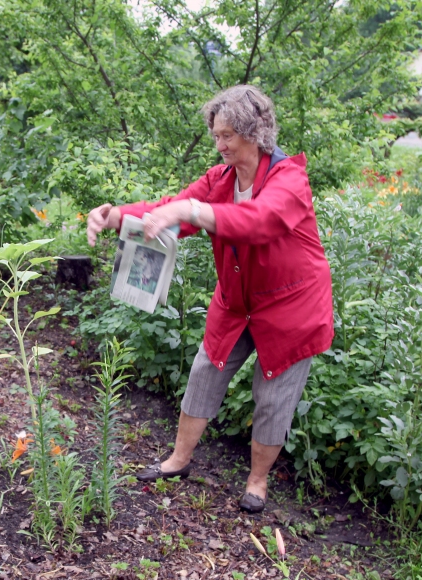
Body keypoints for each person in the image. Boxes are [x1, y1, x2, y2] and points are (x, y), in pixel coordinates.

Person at [86, 85, 334, 513]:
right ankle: (178, 460)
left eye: (227, 136)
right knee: (205, 370)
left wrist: (192, 213)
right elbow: (172, 209)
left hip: (292, 309)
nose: (218, 145)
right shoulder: (219, 180)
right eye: (216, 135)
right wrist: (114, 216)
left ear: (254, 133)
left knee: (273, 396)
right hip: (236, 302)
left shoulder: (289, 178)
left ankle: (257, 483)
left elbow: (260, 221)